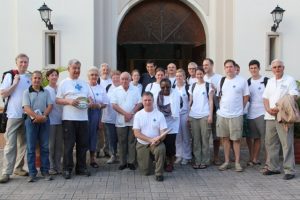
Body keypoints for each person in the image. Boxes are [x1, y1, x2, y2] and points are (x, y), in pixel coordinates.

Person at [56, 59, 92, 179]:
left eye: (78, 68)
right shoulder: (64, 83)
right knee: (69, 145)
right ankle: (67, 169)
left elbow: (90, 98)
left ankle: (81, 168)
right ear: (69, 69)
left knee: (83, 145)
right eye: (74, 68)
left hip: (83, 119)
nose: (76, 70)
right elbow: (57, 100)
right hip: (69, 119)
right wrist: (69, 101)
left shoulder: (84, 83)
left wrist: (90, 102)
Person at [262, 59, 298, 180]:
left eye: (279, 67)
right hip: (270, 116)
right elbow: (265, 98)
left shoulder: (290, 80)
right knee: (271, 143)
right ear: (272, 69)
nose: (277, 69)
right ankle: (273, 168)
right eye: (275, 67)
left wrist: (278, 107)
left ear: (283, 67)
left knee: (286, 143)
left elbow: (293, 96)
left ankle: (289, 170)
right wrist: (267, 109)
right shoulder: (270, 81)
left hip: (283, 117)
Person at [0, 53, 31, 183]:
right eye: (21, 62)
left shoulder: (30, 77)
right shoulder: (10, 75)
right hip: (12, 115)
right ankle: (6, 172)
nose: (23, 64)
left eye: (25, 62)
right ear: (16, 62)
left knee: (23, 144)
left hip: (26, 116)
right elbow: (3, 93)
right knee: (10, 145)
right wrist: (15, 83)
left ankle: (18, 168)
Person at [216, 59, 249, 172]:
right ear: (225, 69)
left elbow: (246, 97)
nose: (229, 69)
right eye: (227, 67)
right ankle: (226, 161)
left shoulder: (242, 81)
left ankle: (237, 163)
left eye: (231, 67)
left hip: (236, 115)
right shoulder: (222, 81)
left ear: (235, 68)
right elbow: (220, 96)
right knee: (225, 139)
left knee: (236, 140)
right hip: (223, 115)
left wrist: (241, 108)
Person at [22, 71, 53, 182]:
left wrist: (43, 116)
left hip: (44, 121)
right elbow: (26, 107)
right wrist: (36, 117)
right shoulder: (26, 92)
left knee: (45, 147)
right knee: (31, 148)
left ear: (41, 80)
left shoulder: (46, 92)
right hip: (31, 122)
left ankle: (45, 171)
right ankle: (32, 173)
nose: (37, 80)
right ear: (32, 79)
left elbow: (50, 105)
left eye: (39, 78)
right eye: (35, 78)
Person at [133, 92, 167, 182]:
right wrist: (150, 139)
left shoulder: (159, 115)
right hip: (142, 143)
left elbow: (163, 132)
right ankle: (151, 160)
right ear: (142, 101)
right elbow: (136, 133)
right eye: (145, 100)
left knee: (161, 149)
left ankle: (159, 173)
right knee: (146, 172)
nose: (147, 102)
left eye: (149, 100)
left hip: (156, 143)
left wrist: (159, 139)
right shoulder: (138, 115)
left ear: (153, 101)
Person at [111, 72, 142, 170]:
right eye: (122, 79)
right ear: (120, 80)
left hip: (133, 120)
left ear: (130, 80)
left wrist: (131, 113)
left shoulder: (136, 90)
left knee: (132, 141)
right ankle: (123, 162)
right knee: (122, 141)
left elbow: (140, 103)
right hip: (121, 120)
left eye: (126, 79)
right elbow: (114, 105)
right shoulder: (116, 90)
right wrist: (125, 114)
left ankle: (131, 162)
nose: (124, 81)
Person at [189, 67, 214, 169]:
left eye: (200, 74)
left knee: (205, 139)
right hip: (194, 116)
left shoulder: (208, 86)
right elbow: (190, 101)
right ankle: (197, 160)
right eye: (197, 74)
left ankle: (205, 161)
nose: (199, 76)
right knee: (196, 140)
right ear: (195, 75)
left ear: (203, 74)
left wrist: (210, 115)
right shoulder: (192, 86)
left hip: (204, 115)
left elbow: (211, 101)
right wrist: (188, 114)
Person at [154, 78, 181, 172]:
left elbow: (178, 108)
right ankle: (163, 162)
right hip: (161, 124)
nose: (165, 89)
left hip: (172, 124)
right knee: (162, 144)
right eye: (163, 87)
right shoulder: (157, 95)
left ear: (170, 86)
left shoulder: (176, 95)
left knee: (170, 145)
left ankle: (171, 163)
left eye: (167, 87)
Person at [246, 60, 268, 167]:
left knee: (265, 139)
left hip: (263, 113)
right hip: (250, 114)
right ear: (249, 69)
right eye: (251, 68)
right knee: (255, 138)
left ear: (259, 68)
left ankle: (269, 162)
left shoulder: (266, 81)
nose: (253, 70)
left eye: (255, 68)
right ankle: (254, 158)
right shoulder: (247, 82)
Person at [87, 67, 109, 168]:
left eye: (96, 75)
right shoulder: (84, 87)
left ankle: (92, 159)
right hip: (84, 113)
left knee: (93, 136)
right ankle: (82, 159)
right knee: (83, 136)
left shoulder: (101, 88)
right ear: (88, 76)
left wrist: (98, 106)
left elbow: (105, 103)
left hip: (96, 114)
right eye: (92, 75)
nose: (94, 77)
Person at [203, 58, 222, 165]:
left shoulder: (219, 78)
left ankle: (216, 157)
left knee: (216, 136)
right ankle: (206, 157)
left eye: (207, 65)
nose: (205, 66)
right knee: (205, 136)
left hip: (216, 111)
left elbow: (222, 94)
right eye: (204, 65)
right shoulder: (201, 77)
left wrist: (216, 90)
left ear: (212, 65)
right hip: (204, 112)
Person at [45, 68, 63, 175]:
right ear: (48, 77)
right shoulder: (46, 90)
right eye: (52, 75)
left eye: (56, 75)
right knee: (51, 145)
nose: (54, 77)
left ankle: (58, 165)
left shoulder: (60, 88)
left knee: (59, 145)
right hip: (50, 121)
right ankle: (51, 167)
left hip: (61, 120)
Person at [101, 70, 121, 164]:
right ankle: (113, 155)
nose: (116, 79)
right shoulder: (108, 87)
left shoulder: (123, 88)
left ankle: (122, 155)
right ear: (111, 78)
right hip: (109, 118)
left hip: (121, 118)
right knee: (111, 138)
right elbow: (104, 101)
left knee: (121, 138)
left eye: (118, 77)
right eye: (114, 77)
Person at [174, 69, 192, 165]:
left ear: (184, 77)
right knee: (177, 136)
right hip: (176, 115)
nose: (178, 78)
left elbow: (191, 102)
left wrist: (189, 115)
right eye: (177, 76)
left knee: (186, 136)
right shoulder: (173, 88)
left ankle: (187, 156)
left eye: (180, 76)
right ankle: (178, 155)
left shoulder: (188, 87)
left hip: (185, 114)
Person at [96, 63, 112, 158]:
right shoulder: (97, 80)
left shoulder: (111, 81)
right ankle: (97, 150)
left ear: (109, 71)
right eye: (103, 69)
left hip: (108, 109)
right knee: (98, 131)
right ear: (100, 71)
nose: (105, 71)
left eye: (107, 69)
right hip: (98, 109)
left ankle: (107, 149)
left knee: (107, 132)